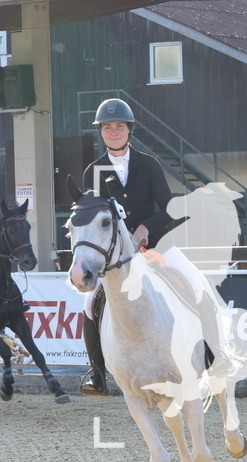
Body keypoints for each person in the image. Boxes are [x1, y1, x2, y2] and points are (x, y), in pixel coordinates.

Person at [79, 98, 174, 397]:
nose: (114, 132)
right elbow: (89, 219)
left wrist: (146, 227)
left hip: (152, 250)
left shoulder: (148, 164)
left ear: (129, 130)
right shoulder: (92, 172)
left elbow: (169, 209)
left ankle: (209, 354)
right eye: (107, 128)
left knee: (190, 282)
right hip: (115, 258)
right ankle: (96, 374)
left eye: (119, 126)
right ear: (101, 133)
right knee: (89, 304)